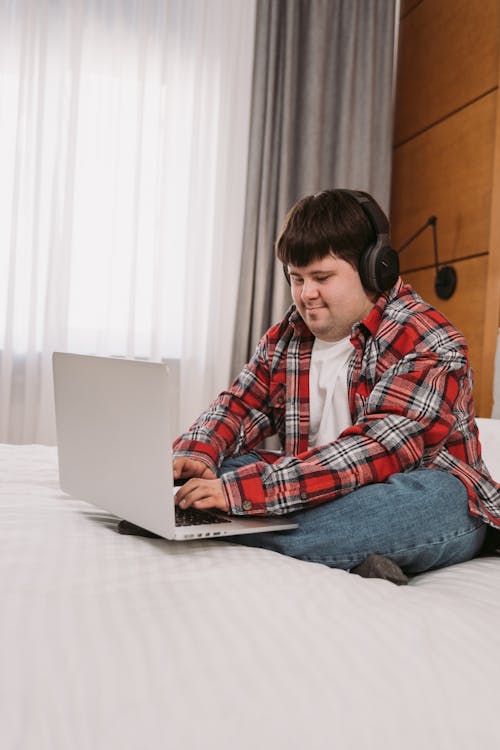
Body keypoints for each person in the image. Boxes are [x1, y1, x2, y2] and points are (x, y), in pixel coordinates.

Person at [173, 189, 500, 584]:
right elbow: (239, 404)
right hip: (320, 486)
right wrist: (197, 454)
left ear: (372, 269)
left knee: (434, 497)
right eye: (296, 278)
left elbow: (375, 452)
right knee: (216, 471)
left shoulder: (429, 340)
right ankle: (345, 552)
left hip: (419, 496)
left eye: (321, 278)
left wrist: (243, 495)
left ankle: (208, 528)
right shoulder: (287, 337)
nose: (305, 294)